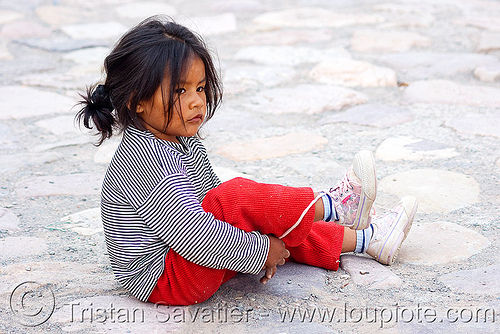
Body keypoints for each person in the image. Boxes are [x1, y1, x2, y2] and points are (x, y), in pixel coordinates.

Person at [76, 16, 418, 306]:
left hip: (186, 258)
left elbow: (211, 201)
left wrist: (260, 232)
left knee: (266, 213)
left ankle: (368, 238)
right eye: (180, 91)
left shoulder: (181, 140)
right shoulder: (145, 161)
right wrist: (258, 252)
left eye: (200, 87)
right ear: (137, 101)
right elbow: (193, 235)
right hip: (165, 277)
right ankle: (333, 206)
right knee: (241, 197)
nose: (197, 101)